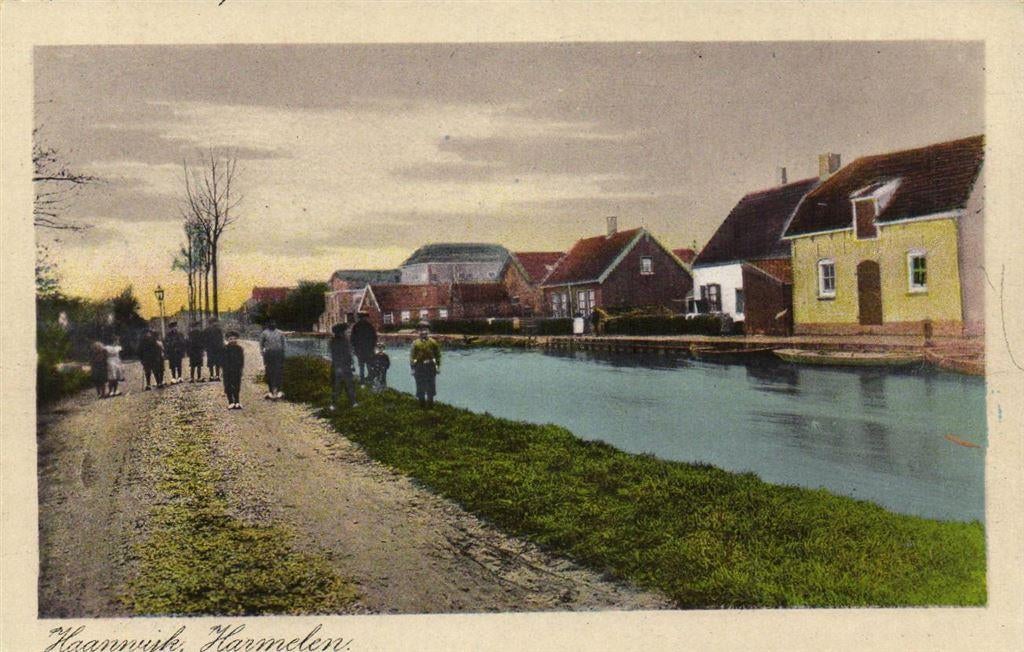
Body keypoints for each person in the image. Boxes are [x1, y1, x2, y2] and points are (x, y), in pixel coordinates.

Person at [410, 321, 441, 409]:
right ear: (418, 332)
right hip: (419, 367)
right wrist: (412, 368)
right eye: (421, 330)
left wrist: (438, 366)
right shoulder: (415, 343)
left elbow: (438, 355)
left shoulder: (433, 342)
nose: (423, 332)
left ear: (429, 331)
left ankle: (430, 404)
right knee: (420, 385)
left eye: (425, 330)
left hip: (430, 366)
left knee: (431, 385)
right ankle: (422, 405)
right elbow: (412, 356)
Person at [329, 322, 357, 411]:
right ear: (340, 332)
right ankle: (350, 403)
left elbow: (348, 354)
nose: (346, 333)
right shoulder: (339, 342)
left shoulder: (336, 341)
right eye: (344, 331)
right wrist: (342, 367)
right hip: (341, 367)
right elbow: (340, 355)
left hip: (341, 367)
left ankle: (338, 404)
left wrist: (351, 364)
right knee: (343, 386)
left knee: (343, 386)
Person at [259, 319, 286, 399]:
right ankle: (270, 391)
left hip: (279, 354)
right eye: (271, 323)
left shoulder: (280, 333)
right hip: (269, 354)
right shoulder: (264, 333)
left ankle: (279, 391)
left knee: (279, 371)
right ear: (268, 324)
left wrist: (283, 353)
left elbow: (284, 344)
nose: (272, 324)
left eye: (274, 322)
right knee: (269, 372)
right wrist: (262, 352)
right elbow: (261, 344)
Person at [350, 311, 377, 383]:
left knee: (361, 366)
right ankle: (370, 379)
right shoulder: (370, 326)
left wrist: (354, 349)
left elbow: (352, 339)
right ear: (365, 317)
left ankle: (362, 380)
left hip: (359, 350)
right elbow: (374, 338)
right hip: (368, 350)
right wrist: (372, 347)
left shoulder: (356, 326)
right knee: (369, 365)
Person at [221, 330, 245, 409]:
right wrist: (224, 369)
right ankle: (230, 401)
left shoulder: (239, 349)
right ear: (227, 340)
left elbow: (242, 360)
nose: (233, 340)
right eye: (231, 339)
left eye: (234, 339)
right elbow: (223, 360)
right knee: (228, 386)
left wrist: (241, 369)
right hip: (227, 370)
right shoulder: (225, 349)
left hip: (236, 370)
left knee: (237, 385)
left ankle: (237, 401)